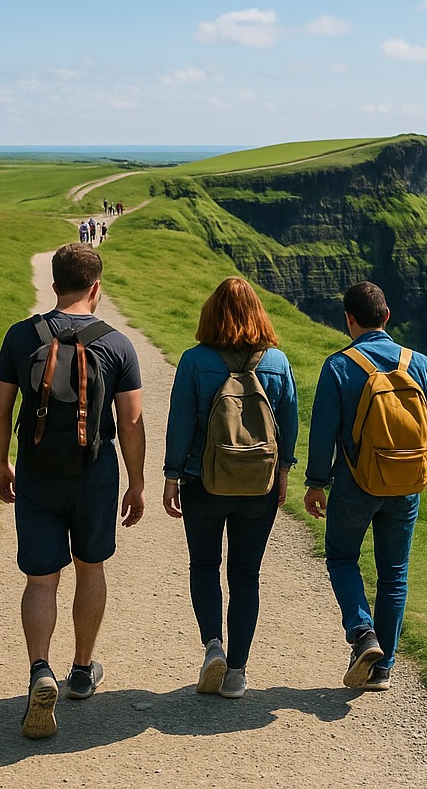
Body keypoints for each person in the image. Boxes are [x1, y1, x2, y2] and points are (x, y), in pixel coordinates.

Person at [0, 242, 146, 738]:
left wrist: (1, 462)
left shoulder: (21, 336)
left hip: (37, 473)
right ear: (96, 287)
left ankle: (40, 669)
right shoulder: (116, 344)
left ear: (54, 284)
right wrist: (137, 483)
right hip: (94, 474)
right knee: (90, 568)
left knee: (41, 581)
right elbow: (132, 422)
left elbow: (0, 409)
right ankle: (81, 670)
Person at [304, 281, 427, 691]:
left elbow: (323, 434)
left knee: (342, 557)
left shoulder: (338, 366)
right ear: (386, 316)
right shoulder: (420, 364)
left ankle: (363, 632)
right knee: (394, 575)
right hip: (405, 488)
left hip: (355, 485)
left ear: (349, 320)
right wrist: (410, 472)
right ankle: (383, 670)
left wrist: (316, 484)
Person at [163, 277, 298, 699]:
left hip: (203, 481)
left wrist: (172, 476)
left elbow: (180, 423)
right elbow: (289, 424)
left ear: (211, 313)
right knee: (245, 576)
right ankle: (237, 672)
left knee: (204, 565)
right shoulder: (277, 362)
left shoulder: (193, 361)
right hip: (258, 485)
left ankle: (213, 647)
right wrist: (283, 473)